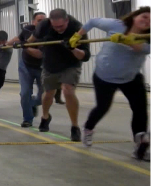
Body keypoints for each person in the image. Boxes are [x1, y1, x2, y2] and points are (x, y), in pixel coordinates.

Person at [73, 8, 151, 161]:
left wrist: (127, 40)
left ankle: (140, 143)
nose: (147, 21)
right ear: (135, 16)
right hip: (104, 76)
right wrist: (78, 35)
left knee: (140, 109)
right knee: (103, 107)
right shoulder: (116, 25)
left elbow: (142, 48)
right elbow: (92, 21)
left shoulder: (148, 38)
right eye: (145, 16)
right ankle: (88, 128)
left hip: (131, 78)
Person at [27, 9, 91, 142]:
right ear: (50, 22)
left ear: (67, 20)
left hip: (70, 64)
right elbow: (32, 38)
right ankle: (45, 116)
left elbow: (85, 56)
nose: (58, 29)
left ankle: (75, 127)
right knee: (48, 93)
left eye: (61, 26)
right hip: (50, 62)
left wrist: (73, 48)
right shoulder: (44, 25)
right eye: (55, 27)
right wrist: (24, 44)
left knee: (68, 90)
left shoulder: (78, 28)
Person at [7, 12, 47, 127]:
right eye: (39, 20)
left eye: (44, 20)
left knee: (43, 96)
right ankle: (27, 119)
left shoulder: (49, 33)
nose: (42, 22)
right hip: (26, 66)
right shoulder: (27, 30)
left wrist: (24, 46)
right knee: (25, 93)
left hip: (43, 68)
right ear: (33, 22)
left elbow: (39, 54)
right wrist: (6, 44)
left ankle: (32, 104)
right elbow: (19, 38)